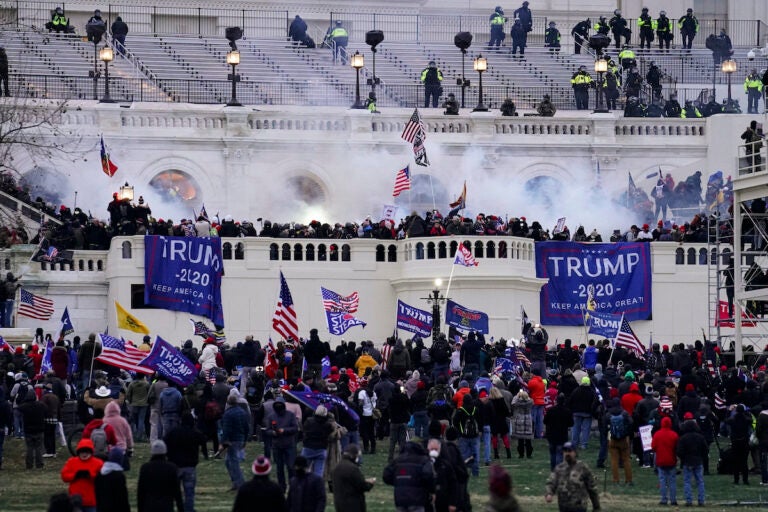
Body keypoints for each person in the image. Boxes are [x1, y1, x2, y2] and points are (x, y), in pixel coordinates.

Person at [165, 412, 208, 512]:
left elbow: (165, 443)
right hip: (190, 465)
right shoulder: (194, 432)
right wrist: (205, 454)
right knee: (189, 491)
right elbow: (203, 440)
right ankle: (189, 509)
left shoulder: (173, 432)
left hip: (174, 465)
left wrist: (168, 456)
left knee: (172, 491)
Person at [545, 442, 600, 512]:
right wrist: (549, 493)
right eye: (565, 451)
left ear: (575, 453)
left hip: (579, 508)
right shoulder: (559, 468)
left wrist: (596, 507)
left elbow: (592, 488)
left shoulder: (583, 468)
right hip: (563, 508)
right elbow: (551, 482)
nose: (567, 453)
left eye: (570, 451)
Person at [382, 441, 435, 512]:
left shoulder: (397, 460)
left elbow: (386, 475)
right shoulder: (423, 460)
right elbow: (428, 476)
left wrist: (398, 481)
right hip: (417, 498)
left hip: (400, 498)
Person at [137, 440, 184, 512]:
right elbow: (177, 491)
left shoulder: (145, 468)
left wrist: (140, 509)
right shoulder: (171, 468)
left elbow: (141, 491)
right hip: (166, 507)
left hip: (149, 506)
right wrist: (180, 508)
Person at [61, 439, 104, 512]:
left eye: (86, 452)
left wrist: (90, 476)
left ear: (90, 452)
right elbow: (64, 476)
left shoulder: (98, 463)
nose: (84, 454)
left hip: (92, 500)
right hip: (75, 500)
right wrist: (75, 475)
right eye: (82, 452)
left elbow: (103, 479)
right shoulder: (72, 462)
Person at [332, 444, 374, 512]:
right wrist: (370, 483)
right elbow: (361, 485)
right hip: (353, 504)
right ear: (353, 455)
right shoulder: (353, 469)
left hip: (339, 503)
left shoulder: (337, 468)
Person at [676, 416, 707, 506]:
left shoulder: (683, 438)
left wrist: (683, 458)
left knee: (687, 482)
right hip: (698, 461)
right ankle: (701, 500)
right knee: (700, 482)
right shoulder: (700, 437)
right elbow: (705, 449)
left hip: (687, 461)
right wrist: (702, 457)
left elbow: (679, 451)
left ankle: (689, 500)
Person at [221, 394, 250, 490]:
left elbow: (226, 429)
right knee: (228, 461)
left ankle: (239, 483)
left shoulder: (228, 414)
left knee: (233, 462)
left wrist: (223, 441)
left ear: (228, 402)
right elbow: (246, 427)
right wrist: (245, 439)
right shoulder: (242, 412)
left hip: (232, 440)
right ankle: (235, 482)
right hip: (240, 438)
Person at [651, 416, 679, 506]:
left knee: (662, 481)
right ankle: (673, 500)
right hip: (671, 460)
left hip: (661, 460)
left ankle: (663, 499)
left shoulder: (657, 434)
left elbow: (653, 447)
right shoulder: (674, 435)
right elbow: (677, 448)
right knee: (672, 481)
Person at [605, 397, 633, 485]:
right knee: (626, 460)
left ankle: (615, 480)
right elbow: (631, 423)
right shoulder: (624, 413)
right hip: (624, 439)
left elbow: (604, 424)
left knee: (614, 461)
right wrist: (628, 433)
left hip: (612, 439)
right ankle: (628, 480)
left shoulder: (608, 414)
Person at [94, 447, 130, 512]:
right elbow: (122, 497)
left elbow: (97, 494)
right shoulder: (119, 476)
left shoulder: (100, 473)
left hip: (101, 508)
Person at [727, 404, 752, 485]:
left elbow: (726, 420)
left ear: (736, 410)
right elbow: (750, 419)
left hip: (735, 442)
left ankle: (736, 479)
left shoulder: (733, 419)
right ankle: (745, 480)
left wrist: (729, 411)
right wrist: (746, 412)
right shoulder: (746, 419)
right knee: (744, 461)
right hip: (744, 441)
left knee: (736, 461)